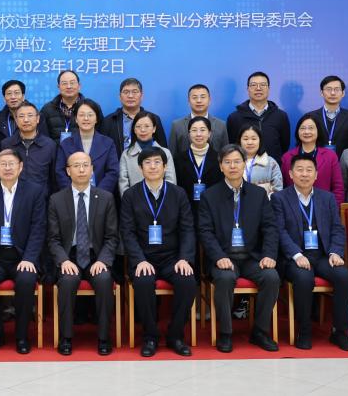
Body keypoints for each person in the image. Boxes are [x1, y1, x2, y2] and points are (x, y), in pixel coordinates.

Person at [198, 144, 280, 353]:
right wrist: (218, 257)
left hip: (252, 257)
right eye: (227, 162)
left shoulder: (258, 194)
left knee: (271, 277)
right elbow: (205, 232)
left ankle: (260, 331)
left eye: (237, 161)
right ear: (221, 166)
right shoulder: (209, 196)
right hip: (224, 257)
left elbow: (270, 227)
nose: (232, 166)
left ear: (244, 164)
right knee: (225, 278)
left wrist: (269, 254)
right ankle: (226, 333)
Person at [271, 154, 348, 351]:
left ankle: (339, 332)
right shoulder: (279, 198)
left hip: (324, 255)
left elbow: (337, 228)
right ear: (290, 174)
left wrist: (335, 252)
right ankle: (304, 331)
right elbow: (279, 231)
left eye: (309, 170)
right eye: (299, 170)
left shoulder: (327, 198)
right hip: (295, 257)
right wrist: (297, 255)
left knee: (344, 277)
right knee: (303, 278)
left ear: (316, 175)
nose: (304, 174)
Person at [121, 147, 196, 357]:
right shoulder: (130, 195)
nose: (152, 167)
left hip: (173, 258)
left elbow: (187, 229)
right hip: (144, 257)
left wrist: (184, 258)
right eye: (147, 163)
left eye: (157, 162)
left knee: (187, 280)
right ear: (140, 168)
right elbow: (127, 232)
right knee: (143, 281)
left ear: (165, 166)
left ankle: (175, 335)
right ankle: (150, 336)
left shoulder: (178, 194)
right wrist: (139, 260)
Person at [0, 149, 48, 354]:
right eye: (2, 164)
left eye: (11, 163)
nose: (7, 168)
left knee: (26, 280)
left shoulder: (35, 191)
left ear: (20, 167)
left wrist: (29, 258)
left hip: (23, 256)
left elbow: (38, 228)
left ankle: (22, 336)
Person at [49, 151, 119, 356]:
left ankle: (104, 337)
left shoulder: (105, 198)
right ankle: (66, 337)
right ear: (67, 171)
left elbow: (112, 237)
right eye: (76, 166)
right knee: (68, 281)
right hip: (69, 256)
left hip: (96, 256)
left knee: (104, 280)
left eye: (85, 165)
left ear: (92, 169)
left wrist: (103, 260)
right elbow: (52, 239)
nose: (81, 169)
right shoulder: (56, 199)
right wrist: (63, 260)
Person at [54, 99, 119, 195]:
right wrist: (73, 193)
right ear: (76, 119)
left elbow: (113, 172)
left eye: (90, 115)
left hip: (101, 197)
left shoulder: (108, 143)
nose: (86, 118)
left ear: (96, 119)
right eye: (81, 115)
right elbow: (60, 172)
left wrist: (98, 194)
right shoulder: (66, 144)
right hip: (73, 197)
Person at [226, 71, 291, 163]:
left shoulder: (281, 116)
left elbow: (284, 145)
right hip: (244, 168)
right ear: (248, 89)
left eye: (263, 85)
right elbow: (233, 146)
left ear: (269, 88)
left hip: (273, 168)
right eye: (253, 85)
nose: (258, 88)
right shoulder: (234, 118)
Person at [281, 116, 345, 204]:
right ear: (297, 132)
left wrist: (333, 209)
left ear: (318, 131)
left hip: (324, 207)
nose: (307, 132)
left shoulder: (330, 156)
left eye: (311, 128)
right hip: (293, 208)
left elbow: (338, 188)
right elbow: (283, 187)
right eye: (303, 128)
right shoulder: (287, 157)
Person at [1, 102, 57, 192]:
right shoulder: (6, 144)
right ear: (16, 120)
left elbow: (54, 178)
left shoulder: (49, 145)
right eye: (21, 116)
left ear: (38, 119)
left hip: (41, 198)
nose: (26, 120)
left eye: (30, 115)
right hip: (14, 196)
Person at [118, 111, 176, 196]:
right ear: (134, 130)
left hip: (162, 201)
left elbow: (171, 180)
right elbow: (123, 184)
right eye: (138, 126)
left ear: (154, 129)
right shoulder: (126, 154)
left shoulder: (166, 153)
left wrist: (163, 200)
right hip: (134, 202)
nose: (143, 130)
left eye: (147, 126)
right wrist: (130, 201)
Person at [101, 78, 168, 152]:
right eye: (126, 92)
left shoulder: (154, 119)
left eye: (135, 92)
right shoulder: (108, 121)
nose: (130, 96)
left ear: (141, 96)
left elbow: (163, 150)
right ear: (120, 96)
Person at [174, 116, 225, 207]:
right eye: (194, 130)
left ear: (209, 133)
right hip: (186, 208)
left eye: (202, 130)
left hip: (213, 207)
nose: (198, 134)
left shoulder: (219, 158)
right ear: (189, 134)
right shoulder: (179, 159)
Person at [40, 70, 104, 142]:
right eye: (64, 83)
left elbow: (101, 135)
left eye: (72, 83)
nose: (69, 86)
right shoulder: (47, 109)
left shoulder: (92, 107)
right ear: (58, 87)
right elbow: (42, 138)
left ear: (79, 86)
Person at [303, 75, 348, 155]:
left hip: (344, 161)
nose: (333, 93)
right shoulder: (310, 117)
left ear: (343, 93)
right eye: (328, 89)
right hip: (317, 161)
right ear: (321, 93)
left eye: (337, 89)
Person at [168, 83, 230, 157]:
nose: (199, 100)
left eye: (203, 97)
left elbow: (226, 154)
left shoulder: (221, 125)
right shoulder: (177, 125)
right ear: (188, 101)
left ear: (209, 100)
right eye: (194, 97)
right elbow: (172, 155)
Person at [238, 126, 283, 197]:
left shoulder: (271, 162)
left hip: (265, 203)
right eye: (245, 139)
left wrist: (264, 202)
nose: (250, 142)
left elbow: (278, 189)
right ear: (239, 141)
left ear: (260, 141)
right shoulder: (233, 162)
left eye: (254, 139)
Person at [0, 79, 26, 148]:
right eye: (9, 93)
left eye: (16, 93)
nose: (13, 97)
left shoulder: (35, 116)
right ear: (4, 98)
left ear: (23, 96)